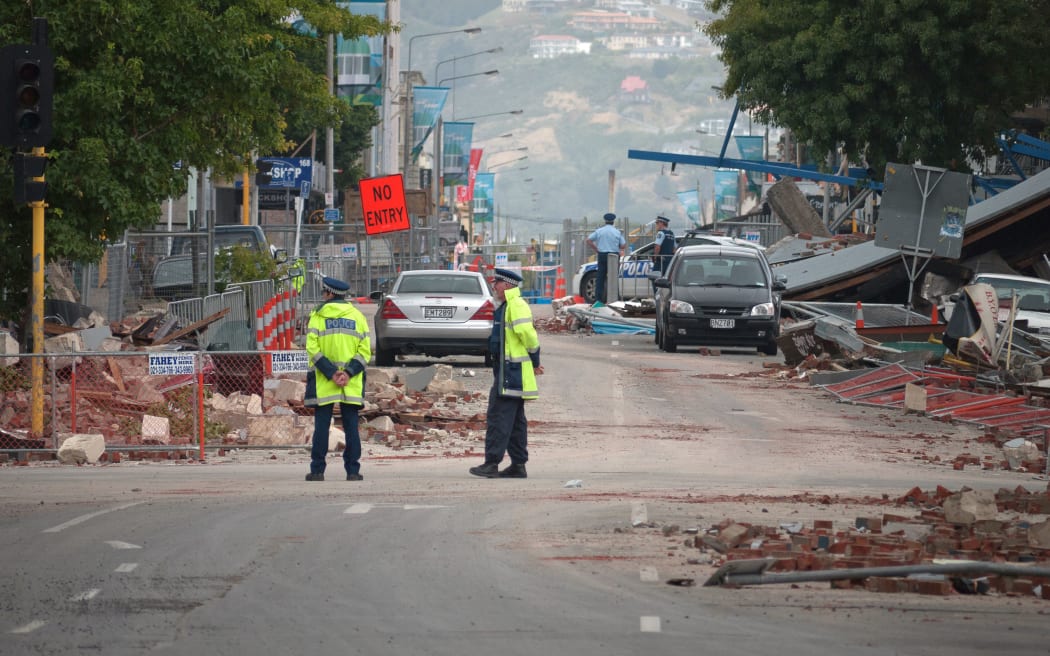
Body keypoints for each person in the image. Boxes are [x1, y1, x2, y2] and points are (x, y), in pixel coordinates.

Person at [469, 268, 544, 479]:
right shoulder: (506, 306)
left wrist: (535, 360)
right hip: (508, 371)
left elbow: (529, 336)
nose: (494, 287)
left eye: (497, 283)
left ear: (507, 285)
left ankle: (491, 463)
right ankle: (518, 465)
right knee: (515, 421)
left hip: (510, 373)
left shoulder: (515, 305)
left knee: (498, 417)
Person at [304, 276, 372, 482]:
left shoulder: (318, 316)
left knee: (322, 427)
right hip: (351, 381)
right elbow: (365, 352)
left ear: (329, 293)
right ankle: (353, 471)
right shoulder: (357, 317)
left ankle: (317, 471)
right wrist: (348, 373)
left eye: (324, 292)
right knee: (351, 427)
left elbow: (312, 348)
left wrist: (331, 372)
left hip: (324, 381)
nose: (322, 295)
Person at [586, 212, 626, 304]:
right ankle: (614, 299)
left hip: (602, 255)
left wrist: (596, 249)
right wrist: (617, 247)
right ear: (613, 222)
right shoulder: (617, 232)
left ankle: (598, 300)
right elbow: (623, 245)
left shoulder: (599, 231)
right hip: (614, 256)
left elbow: (588, 240)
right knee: (613, 278)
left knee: (600, 278)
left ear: (605, 221)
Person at [652, 215, 676, 291]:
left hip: (661, 261)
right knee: (667, 280)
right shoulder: (671, 234)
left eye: (657, 223)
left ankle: (657, 295)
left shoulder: (661, 233)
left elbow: (657, 246)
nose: (656, 225)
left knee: (655, 278)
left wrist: (655, 257)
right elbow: (674, 249)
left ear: (661, 223)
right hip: (669, 261)